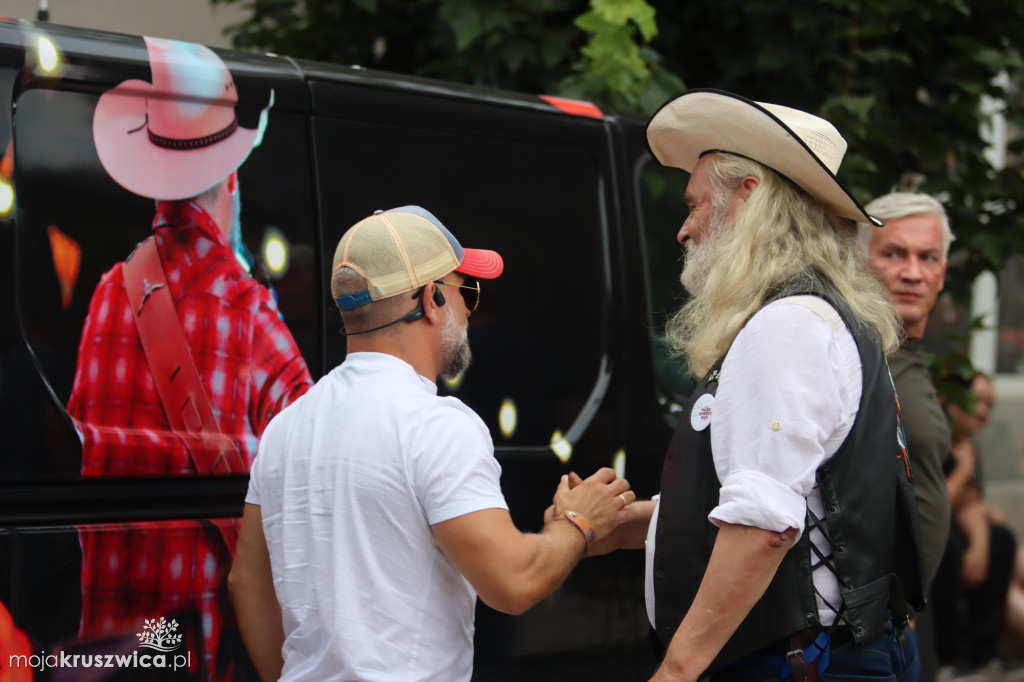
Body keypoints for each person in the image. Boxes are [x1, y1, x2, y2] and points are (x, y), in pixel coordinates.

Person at [587, 89, 927, 681]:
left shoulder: (786, 325)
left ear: (750, 195)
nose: (684, 229)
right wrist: (635, 526)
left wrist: (676, 671)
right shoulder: (815, 312)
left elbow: (764, 525)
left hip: (796, 661)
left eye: (694, 205)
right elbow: (792, 494)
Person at [227, 206, 637, 682]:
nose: (469, 309)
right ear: (431, 299)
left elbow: (247, 583)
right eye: (468, 292)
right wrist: (579, 521)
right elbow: (514, 583)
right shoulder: (435, 423)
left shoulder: (285, 427)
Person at [67, 37, 312, 678]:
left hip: (110, 648)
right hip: (200, 647)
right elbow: (314, 457)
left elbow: (76, 442)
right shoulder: (248, 311)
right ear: (230, 182)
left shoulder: (106, 294)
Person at [859, 193, 955, 678]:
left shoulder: (905, 354)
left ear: (943, 271)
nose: (913, 272)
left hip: (903, 623)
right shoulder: (856, 358)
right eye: (893, 253)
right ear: (859, 260)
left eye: (928, 257)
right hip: (864, 637)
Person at [933, 372, 1017, 677]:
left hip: (956, 527)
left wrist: (980, 546)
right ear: (948, 400)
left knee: (1001, 541)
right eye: (975, 401)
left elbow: (970, 504)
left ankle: (985, 654)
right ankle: (950, 659)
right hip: (932, 532)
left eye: (989, 405)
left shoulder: (967, 445)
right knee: (948, 551)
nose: (982, 412)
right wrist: (964, 468)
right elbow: (936, 509)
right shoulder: (934, 438)